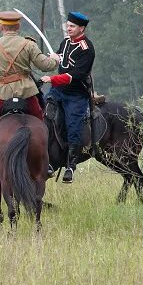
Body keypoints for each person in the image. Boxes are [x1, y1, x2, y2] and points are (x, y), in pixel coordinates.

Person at [0, 11, 58, 180]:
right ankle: (47, 162)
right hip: (27, 93)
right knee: (41, 122)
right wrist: (55, 59)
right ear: (18, 26)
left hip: (0, 94)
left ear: (2, 27)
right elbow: (45, 66)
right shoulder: (28, 44)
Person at [41, 11, 95, 183]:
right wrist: (53, 59)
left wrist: (51, 78)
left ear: (82, 28)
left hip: (76, 94)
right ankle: (46, 158)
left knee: (73, 126)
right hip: (57, 92)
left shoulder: (87, 49)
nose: (68, 28)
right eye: (68, 25)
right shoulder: (65, 42)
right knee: (43, 115)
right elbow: (60, 59)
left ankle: (71, 166)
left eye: (72, 26)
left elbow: (75, 75)